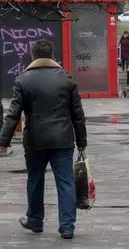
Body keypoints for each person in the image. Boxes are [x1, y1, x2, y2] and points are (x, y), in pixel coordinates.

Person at [0, 39, 87, 239]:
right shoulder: (67, 79)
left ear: (33, 56)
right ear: (52, 55)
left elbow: (13, 114)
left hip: (35, 141)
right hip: (63, 141)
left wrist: (3, 141)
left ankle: (35, 220)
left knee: (35, 180)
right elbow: (77, 114)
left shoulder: (23, 80)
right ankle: (67, 227)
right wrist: (81, 140)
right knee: (65, 182)